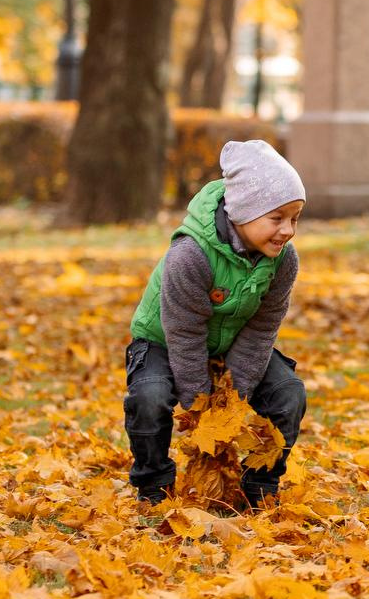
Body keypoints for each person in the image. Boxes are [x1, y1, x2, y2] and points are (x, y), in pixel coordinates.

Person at [123, 140, 308, 507]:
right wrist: (202, 406)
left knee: (289, 393)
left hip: (235, 341)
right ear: (242, 211)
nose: (287, 230)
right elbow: (184, 333)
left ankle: (259, 485)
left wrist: (233, 400)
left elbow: (262, 328)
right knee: (150, 397)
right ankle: (153, 485)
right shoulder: (190, 256)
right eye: (277, 218)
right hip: (164, 339)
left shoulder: (283, 260)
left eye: (295, 218)